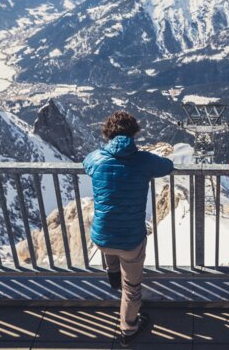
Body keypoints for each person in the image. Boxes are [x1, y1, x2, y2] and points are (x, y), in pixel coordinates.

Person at [83, 111, 174, 346]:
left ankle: (113, 275)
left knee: (109, 248)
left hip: (102, 235)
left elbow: (86, 163)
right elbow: (168, 166)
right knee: (132, 289)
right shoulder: (144, 160)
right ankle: (129, 329)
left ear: (108, 133)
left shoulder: (96, 158)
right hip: (131, 238)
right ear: (134, 133)